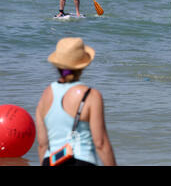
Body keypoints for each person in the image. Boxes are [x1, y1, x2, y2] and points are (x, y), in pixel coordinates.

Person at [35, 37, 117, 166]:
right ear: (82, 65)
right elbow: (100, 143)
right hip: (80, 161)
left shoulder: (45, 95)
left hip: (50, 161)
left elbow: (42, 144)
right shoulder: (90, 95)